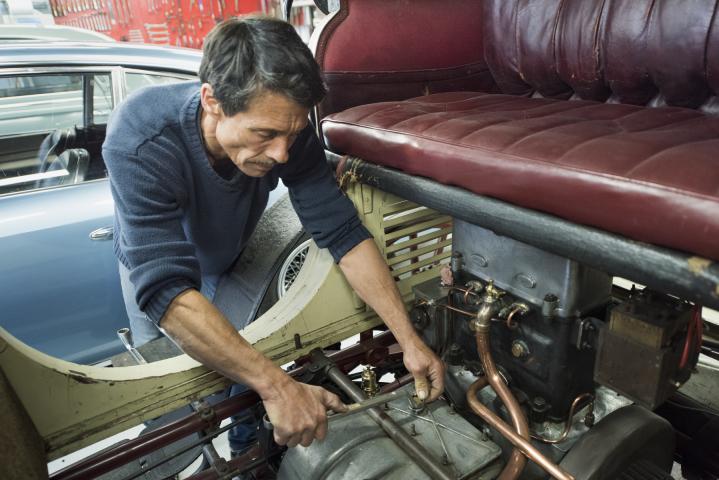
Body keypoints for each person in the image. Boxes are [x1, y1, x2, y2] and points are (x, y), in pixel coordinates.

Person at [102, 15, 444, 452]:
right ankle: (193, 455)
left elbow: (342, 232)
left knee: (242, 372)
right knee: (175, 397)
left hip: (228, 256)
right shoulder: (141, 139)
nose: (282, 153)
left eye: (292, 133)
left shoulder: (285, 128)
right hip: (158, 275)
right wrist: (279, 387)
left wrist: (408, 338)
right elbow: (165, 290)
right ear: (212, 101)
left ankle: (249, 450)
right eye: (264, 134)